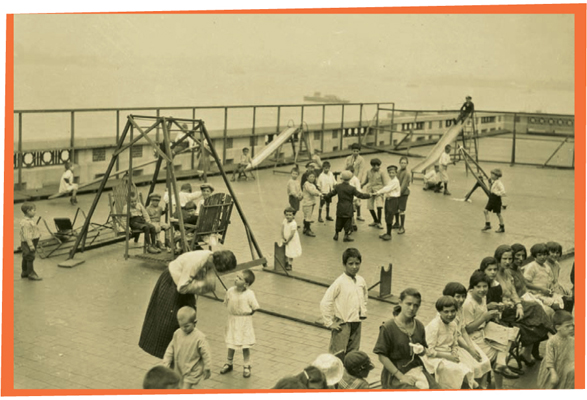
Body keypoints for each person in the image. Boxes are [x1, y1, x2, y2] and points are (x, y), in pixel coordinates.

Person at [139, 249, 237, 358]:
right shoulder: (196, 262)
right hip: (172, 284)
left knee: (188, 318)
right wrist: (203, 285)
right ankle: (170, 357)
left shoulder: (210, 258)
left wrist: (204, 282)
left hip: (182, 284)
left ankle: (182, 355)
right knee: (171, 322)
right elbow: (182, 288)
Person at [493, 245, 554, 366]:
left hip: (514, 306)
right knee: (537, 308)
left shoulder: (507, 272)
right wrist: (511, 304)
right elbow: (494, 298)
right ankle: (551, 334)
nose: (508, 262)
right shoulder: (494, 275)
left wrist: (519, 305)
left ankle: (530, 351)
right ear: (498, 258)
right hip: (503, 310)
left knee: (537, 314)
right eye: (505, 259)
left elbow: (513, 292)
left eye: (510, 259)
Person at [373, 288, 439, 389]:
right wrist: (401, 376)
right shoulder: (388, 327)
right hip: (395, 374)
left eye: (416, 305)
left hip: (416, 367)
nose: (412, 308)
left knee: (438, 390)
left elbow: (423, 352)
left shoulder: (419, 326)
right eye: (408, 304)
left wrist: (421, 351)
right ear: (400, 303)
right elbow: (382, 356)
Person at [462, 270, 519, 387]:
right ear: (472, 287)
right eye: (478, 286)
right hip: (473, 336)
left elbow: (483, 312)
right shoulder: (468, 303)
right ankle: (497, 369)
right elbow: (467, 329)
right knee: (499, 351)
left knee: (512, 332)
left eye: (485, 286)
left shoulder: (482, 296)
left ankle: (500, 366)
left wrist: (493, 310)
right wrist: (485, 317)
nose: (482, 289)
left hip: (484, 329)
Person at [320, 248, 368, 360]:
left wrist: (362, 311)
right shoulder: (340, 282)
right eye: (350, 263)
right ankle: (334, 376)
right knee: (337, 354)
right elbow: (325, 301)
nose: (354, 267)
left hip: (356, 322)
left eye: (357, 263)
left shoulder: (361, 280)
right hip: (343, 323)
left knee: (353, 353)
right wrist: (330, 322)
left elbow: (365, 296)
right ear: (344, 264)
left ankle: (348, 375)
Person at [442, 282, 492, 389]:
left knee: (484, 361)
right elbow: (456, 336)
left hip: (463, 341)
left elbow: (463, 329)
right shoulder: (448, 313)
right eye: (457, 297)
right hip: (452, 344)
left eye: (463, 296)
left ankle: (483, 388)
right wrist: (469, 350)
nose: (461, 299)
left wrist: (471, 346)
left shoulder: (460, 308)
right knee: (472, 367)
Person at [421, 296, 476, 389]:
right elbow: (429, 351)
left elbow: (454, 344)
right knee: (457, 371)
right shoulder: (435, 326)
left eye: (452, 311)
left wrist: (454, 353)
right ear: (439, 312)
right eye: (446, 311)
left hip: (448, 355)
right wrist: (449, 357)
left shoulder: (453, 325)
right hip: (434, 358)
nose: (450, 314)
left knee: (469, 368)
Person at [220, 270, 260, 379]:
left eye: (240, 278)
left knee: (245, 344)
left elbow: (255, 307)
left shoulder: (249, 294)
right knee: (231, 342)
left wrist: (248, 314)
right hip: (232, 320)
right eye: (236, 277)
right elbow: (226, 302)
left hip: (244, 322)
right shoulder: (230, 291)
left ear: (246, 284)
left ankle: (246, 365)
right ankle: (229, 363)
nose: (236, 279)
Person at [163, 307, 212, 388]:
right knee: (179, 387)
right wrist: (166, 363)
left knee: (185, 389)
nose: (183, 328)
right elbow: (170, 349)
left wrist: (207, 367)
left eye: (187, 326)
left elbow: (206, 353)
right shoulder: (177, 334)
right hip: (179, 368)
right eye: (181, 326)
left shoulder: (199, 337)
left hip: (193, 370)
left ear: (195, 322)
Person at [323, 171, 371, 242]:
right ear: (350, 178)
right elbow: (360, 195)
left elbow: (331, 194)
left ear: (342, 178)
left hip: (340, 207)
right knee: (347, 222)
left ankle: (336, 234)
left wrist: (325, 197)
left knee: (339, 220)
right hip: (348, 207)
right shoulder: (352, 188)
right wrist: (369, 195)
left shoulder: (338, 186)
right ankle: (346, 235)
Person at [537, 310, 575, 389]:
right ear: (558, 327)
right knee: (550, 387)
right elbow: (549, 358)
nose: (571, 328)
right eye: (567, 326)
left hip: (565, 369)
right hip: (552, 369)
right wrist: (553, 372)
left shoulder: (572, 340)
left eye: (572, 325)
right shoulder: (552, 341)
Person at [524, 243, 566, 312]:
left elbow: (551, 281)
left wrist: (551, 290)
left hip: (546, 293)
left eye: (545, 255)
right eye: (539, 255)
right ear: (535, 256)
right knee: (555, 306)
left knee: (563, 300)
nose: (542, 257)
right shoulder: (532, 266)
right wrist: (541, 289)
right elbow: (525, 282)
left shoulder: (547, 267)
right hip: (535, 294)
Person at [545, 241, 574, 312]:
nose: (555, 255)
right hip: (546, 289)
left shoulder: (557, 265)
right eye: (552, 252)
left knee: (571, 297)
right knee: (564, 300)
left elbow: (555, 280)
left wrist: (562, 288)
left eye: (557, 252)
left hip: (555, 287)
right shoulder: (544, 265)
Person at [374, 165, 400, 241]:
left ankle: (389, 234)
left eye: (393, 173)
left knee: (390, 216)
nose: (391, 174)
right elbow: (387, 189)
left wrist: (378, 192)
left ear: (396, 173)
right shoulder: (391, 180)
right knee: (387, 215)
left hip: (393, 200)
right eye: (390, 173)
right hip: (388, 199)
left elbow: (387, 189)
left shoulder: (395, 181)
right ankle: (387, 232)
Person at [19, 202, 42, 281]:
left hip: (31, 241)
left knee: (26, 256)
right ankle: (31, 273)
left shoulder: (29, 220)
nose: (35, 211)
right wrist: (31, 245)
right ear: (28, 211)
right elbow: (27, 235)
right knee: (30, 257)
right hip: (29, 242)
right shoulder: (26, 223)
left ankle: (24, 272)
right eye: (33, 210)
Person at [481, 169, 506, 233]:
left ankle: (502, 227)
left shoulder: (499, 183)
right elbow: (490, 190)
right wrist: (489, 184)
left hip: (496, 199)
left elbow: (503, 192)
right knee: (485, 211)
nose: (491, 175)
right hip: (492, 198)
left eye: (492, 174)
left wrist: (496, 193)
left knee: (498, 213)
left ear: (496, 176)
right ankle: (488, 224)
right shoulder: (493, 181)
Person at [362, 158, 384, 229]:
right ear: (372, 166)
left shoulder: (382, 172)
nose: (377, 167)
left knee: (379, 206)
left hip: (379, 190)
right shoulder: (368, 171)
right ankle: (375, 220)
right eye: (376, 166)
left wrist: (385, 191)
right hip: (370, 190)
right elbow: (366, 181)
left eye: (378, 165)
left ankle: (379, 222)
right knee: (370, 206)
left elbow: (385, 183)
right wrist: (361, 184)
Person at [301, 172, 322, 237]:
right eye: (310, 176)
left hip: (311, 203)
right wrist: (319, 194)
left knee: (307, 216)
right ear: (307, 178)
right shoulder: (306, 184)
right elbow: (312, 192)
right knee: (308, 217)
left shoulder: (312, 184)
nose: (312, 178)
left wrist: (320, 193)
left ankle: (305, 228)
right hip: (307, 203)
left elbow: (316, 190)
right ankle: (308, 229)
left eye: (313, 177)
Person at [281, 207, 301, 271]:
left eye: (290, 215)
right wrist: (282, 237)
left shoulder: (294, 224)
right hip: (285, 238)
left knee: (291, 251)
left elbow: (292, 234)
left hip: (291, 240)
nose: (288, 216)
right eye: (286, 215)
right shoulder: (284, 220)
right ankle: (286, 262)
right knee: (285, 250)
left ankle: (290, 264)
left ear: (293, 216)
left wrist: (288, 240)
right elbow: (282, 229)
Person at [346, 165, 364, 231]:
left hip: (354, 198)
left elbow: (358, 189)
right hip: (348, 198)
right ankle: (352, 224)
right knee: (350, 211)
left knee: (351, 211)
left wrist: (358, 198)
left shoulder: (356, 180)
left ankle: (353, 224)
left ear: (353, 172)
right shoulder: (347, 179)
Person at [395, 156, 410, 234]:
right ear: (399, 163)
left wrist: (398, 193)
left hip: (403, 194)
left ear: (407, 164)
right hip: (397, 192)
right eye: (402, 163)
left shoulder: (407, 173)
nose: (403, 164)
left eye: (405, 163)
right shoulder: (398, 171)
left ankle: (402, 227)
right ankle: (397, 223)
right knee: (396, 208)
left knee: (401, 210)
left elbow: (404, 185)